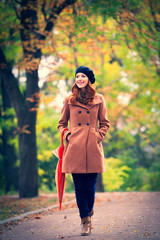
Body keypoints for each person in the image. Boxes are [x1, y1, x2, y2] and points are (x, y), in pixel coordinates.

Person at [57, 66, 110, 236]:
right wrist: (68, 136)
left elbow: (105, 123)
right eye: (77, 76)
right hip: (75, 147)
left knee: (91, 186)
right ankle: (85, 220)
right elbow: (61, 123)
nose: (79, 78)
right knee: (79, 186)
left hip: (93, 146)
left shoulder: (99, 99)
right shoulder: (69, 99)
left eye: (83, 76)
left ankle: (89, 208)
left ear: (89, 79)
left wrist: (98, 136)